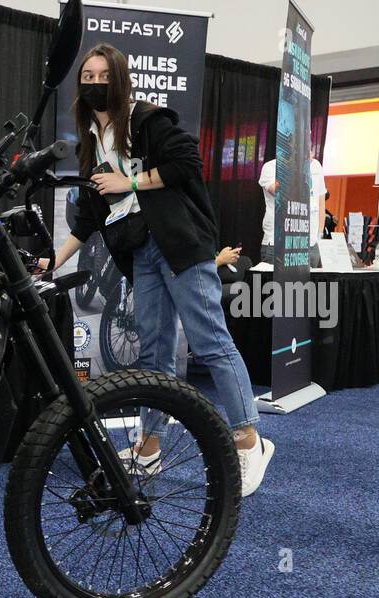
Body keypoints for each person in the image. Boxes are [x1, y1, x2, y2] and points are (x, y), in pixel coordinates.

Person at [41, 43, 272, 497]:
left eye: (101, 75)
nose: (92, 83)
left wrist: (131, 181)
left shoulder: (146, 119)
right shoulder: (91, 139)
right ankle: (149, 446)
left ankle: (249, 439)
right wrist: (55, 260)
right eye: (86, 76)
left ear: (120, 78)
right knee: (154, 353)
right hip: (142, 252)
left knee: (209, 340)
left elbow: (187, 164)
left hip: (180, 246)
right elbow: (89, 215)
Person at [259, 154, 326, 268]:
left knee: (310, 286)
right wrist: (298, 167)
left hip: (310, 246)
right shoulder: (271, 167)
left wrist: (319, 236)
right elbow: (280, 192)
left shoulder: (316, 166)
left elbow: (320, 202)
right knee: (279, 286)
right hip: (279, 245)